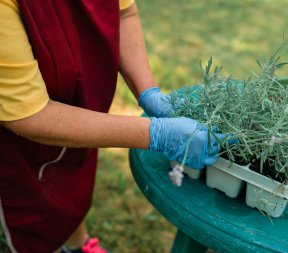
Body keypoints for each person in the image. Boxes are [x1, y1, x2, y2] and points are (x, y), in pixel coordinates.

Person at [0, 0, 224, 252]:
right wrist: (155, 133)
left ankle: (77, 243)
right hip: (20, 127)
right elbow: (29, 114)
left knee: (75, 177)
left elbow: (124, 13)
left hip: (79, 97)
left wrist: (148, 91)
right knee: (32, 200)